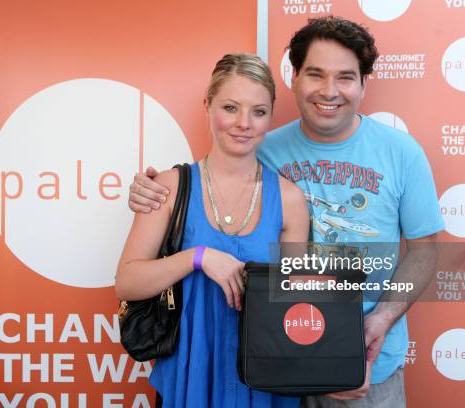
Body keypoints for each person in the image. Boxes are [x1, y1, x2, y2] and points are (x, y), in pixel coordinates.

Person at [127, 17, 444, 408]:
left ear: (364, 83)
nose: (329, 91)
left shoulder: (402, 153)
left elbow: (425, 250)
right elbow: (211, 187)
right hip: (272, 362)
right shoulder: (261, 148)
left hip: (365, 363)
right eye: (315, 74)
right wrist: (150, 190)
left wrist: (380, 320)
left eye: (346, 77)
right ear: (294, 78)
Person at [116, 53, 309, 408]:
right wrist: (198, 257)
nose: (244, 123)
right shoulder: (170, 187)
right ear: (208, 105)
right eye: (231, 107)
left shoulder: (290, 199)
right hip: (190, 374)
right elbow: (127, 281)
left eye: (259, 112)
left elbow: (293, 301)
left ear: (270, 116)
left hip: (265, 379)